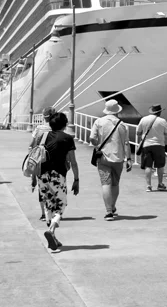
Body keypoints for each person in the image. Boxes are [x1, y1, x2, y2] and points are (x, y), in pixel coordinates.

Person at [32, 111, 79, 253]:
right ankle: (51, 230)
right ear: (65, 124)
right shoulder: (67, 138)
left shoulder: (42, 136)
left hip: (42, 174)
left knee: (48, 204)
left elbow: (35, 156)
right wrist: (76, 179)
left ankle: (52, 236)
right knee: (60, 205)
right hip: (58, 175)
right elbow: (73, 162)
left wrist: (33, 178)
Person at [88, 100, 134, 220]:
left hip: (103, 156)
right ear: (117, 110)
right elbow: (126, 143)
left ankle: (109, 212)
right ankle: (113, 206)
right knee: (115, 184)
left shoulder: (99, 121)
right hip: (118, 157)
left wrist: (97, 145)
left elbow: (92, 138)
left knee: (105, 183)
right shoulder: (123, 125)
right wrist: (129, 159)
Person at [136, 104, 167, 192]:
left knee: (148, 166)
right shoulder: (162, 121)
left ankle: (149, 186)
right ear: (159, 112)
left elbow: (138, 132)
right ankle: (160, 184)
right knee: (160, 166)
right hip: (159, 145)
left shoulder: (144, 119)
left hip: (146, 145)